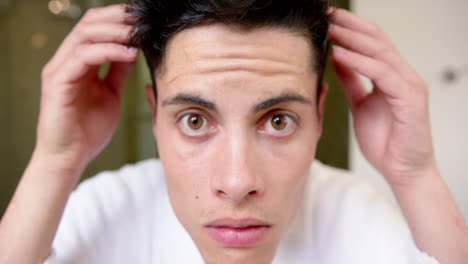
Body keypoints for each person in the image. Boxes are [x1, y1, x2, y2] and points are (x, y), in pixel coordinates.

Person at [0, 0, 467, 263]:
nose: (239, 180)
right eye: (195, 120)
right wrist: (54, 160)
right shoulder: (107, 205)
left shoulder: (350, 211)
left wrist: (415, 173)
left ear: (320, 117)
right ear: (156, 115)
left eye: (278, 121)